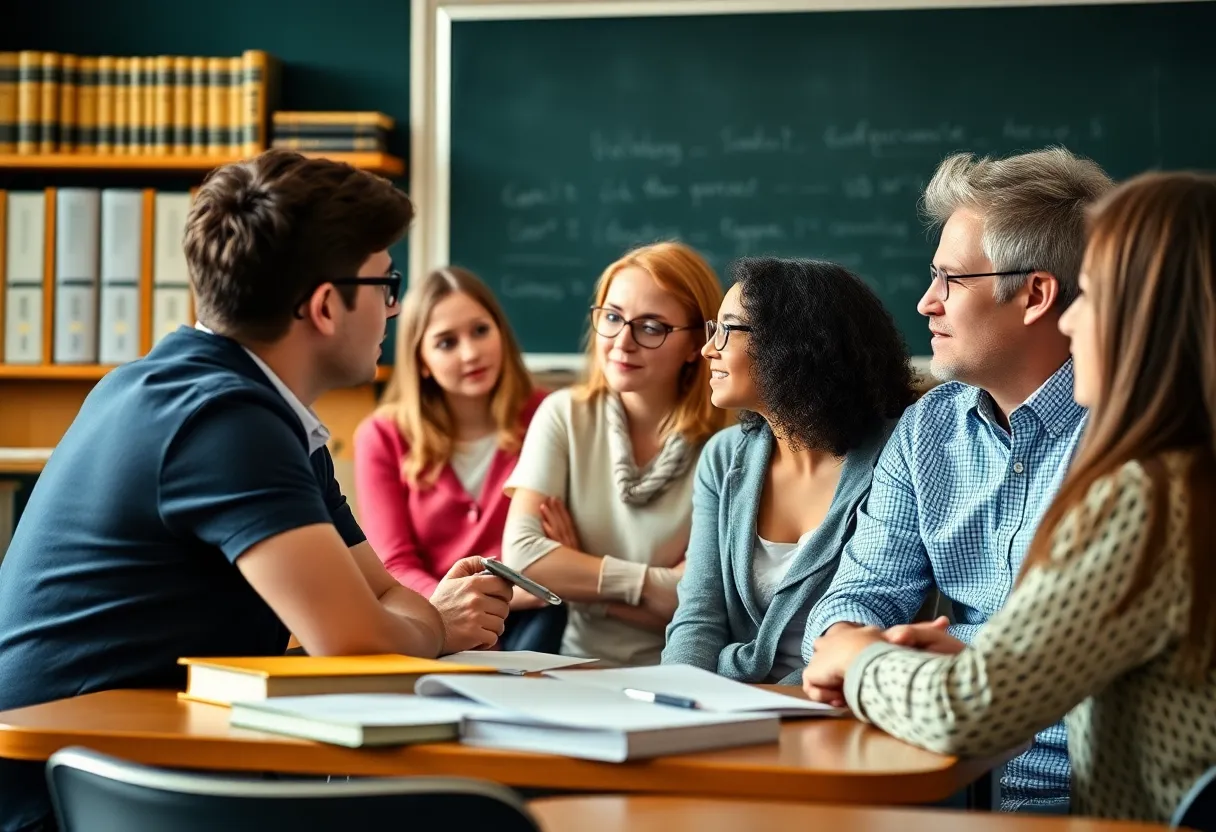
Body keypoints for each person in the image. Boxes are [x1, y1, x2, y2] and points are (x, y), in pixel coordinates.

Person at [0, 150, 511, 832]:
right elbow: (356, 640)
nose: (393, 311)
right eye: (387, 287)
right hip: (71, 801)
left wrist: (407, 624)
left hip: (134, 771)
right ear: (327, 305)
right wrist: (439, 625)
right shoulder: (221, 420)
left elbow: (380, 599)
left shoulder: (241, 407)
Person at [803, 170, 1216, 824]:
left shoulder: (1150, 492)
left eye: (1096, 295)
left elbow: (969, 709)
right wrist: (968, 657)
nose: (1074, 318)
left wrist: (860, 658)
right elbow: (867, 599)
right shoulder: (1175, 474)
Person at [662, 258, 915, 684]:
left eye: (729, 328)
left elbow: (879, 624)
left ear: (792, 343)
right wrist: (679, 701)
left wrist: (771, 706)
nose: (709, 348)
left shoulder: (898, 456)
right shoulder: (723, 457)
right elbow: (698, 614)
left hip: (832, 704)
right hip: (725, 704)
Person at [501, 241, 730, 666]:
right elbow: (524, 559)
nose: (622, 342)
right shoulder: (564, 414)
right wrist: (653, 584)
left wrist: (580, 580)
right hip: (569, 668)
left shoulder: (730, 444)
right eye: (612, 317)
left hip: (689, 673)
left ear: (696, 342)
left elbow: (710, 608)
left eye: (651, 326)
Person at [354, 265, 560, 651]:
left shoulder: (548, 414)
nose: (471, 353)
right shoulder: (382, 436)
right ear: (421, 360)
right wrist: (454, 613)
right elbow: (393, 564)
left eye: (481, 331)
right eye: (447, 342)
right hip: (433, 622)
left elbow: (563, 542)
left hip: (538, 621)